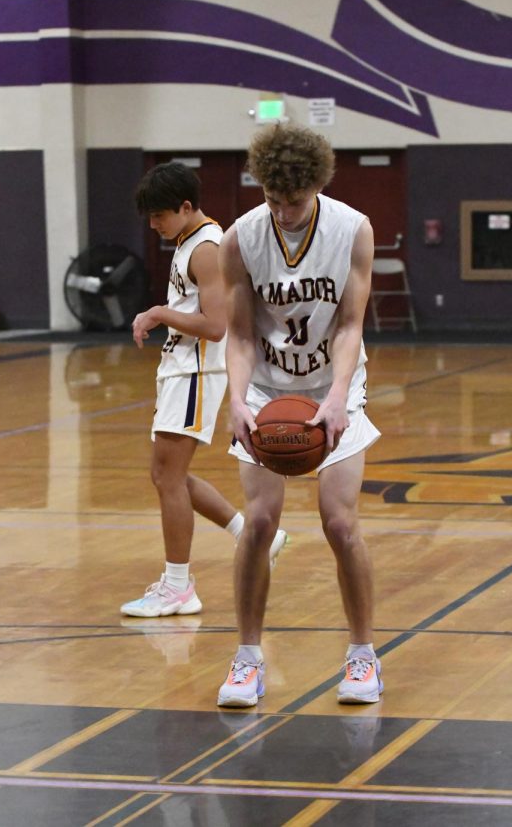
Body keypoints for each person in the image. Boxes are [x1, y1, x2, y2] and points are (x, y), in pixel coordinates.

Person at [216, 124, 382, 706]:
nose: (283, 212)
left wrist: (336, 395)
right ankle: (247, 658)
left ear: (316, 185)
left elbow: (350, 324)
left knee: (340, 524)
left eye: (294, 200)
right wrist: (236, 400)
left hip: (336, 385)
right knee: (258, 524)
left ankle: (363, 656)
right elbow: (237, 335)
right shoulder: (239, 240)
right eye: (272, 199)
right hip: (265, 388)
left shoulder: (353, 229)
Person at [120, 162, 287, 618]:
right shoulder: (187, 242)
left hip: (195, 373)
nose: (153, 224)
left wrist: (158, 312)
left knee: (166, 476)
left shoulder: (206, 248)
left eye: (159, 215)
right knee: (168, 475)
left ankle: (178, 586)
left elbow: (216, 326)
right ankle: (255, 534)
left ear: (187, 206)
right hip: (180, 370)